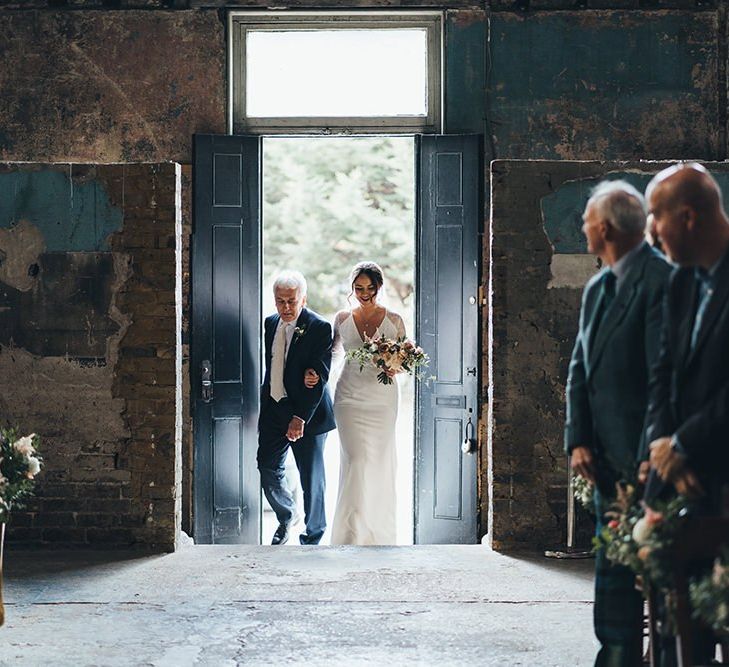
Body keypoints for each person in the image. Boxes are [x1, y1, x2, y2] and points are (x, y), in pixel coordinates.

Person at [564, 180, 671, 666]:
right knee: (612, 574)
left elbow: (663, 380)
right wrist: (578, 438)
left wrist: (652, 452)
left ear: (603, 227)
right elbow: (579, 366)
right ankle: (617, 653)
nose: (582, 228)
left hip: (648, 461)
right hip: (603, 460)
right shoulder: (598, 286)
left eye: (586, 220)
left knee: (653, 575)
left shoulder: (661, 281)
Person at [643, 163, 729, 665]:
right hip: (679, 488)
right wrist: (661, 449)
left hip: (719, 480)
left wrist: (683, 445)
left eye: (656, 215)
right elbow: (662, 377)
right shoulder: (682, 284)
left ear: (689, 216)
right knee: (682, 642)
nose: (650, 230)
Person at [306, 261, 406, 545]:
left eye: (370, 288)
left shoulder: (395, 320)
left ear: (379, 288)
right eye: (359, 288)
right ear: (352, 289)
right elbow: (335, 355)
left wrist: (395, 367)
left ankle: (376, 531)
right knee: (357, 461)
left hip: (382, 399)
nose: (364, 294)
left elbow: (404, 360)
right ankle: (350, 533)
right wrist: (317, 373)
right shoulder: (341, 319)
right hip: (348, 397)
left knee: (377, 463)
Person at [257, 270, 335, 546]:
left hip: (308, 415)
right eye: (280, 301)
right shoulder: (269, 324)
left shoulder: (320, 327)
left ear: (304, 299)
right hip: (274, 409)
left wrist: (300, 417)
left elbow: (319, 378)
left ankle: (312, 537)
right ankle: (286, 515)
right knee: (267, 467)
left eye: (292, 301)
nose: (286, 308)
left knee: (311, 479)